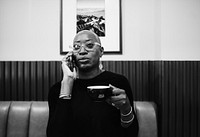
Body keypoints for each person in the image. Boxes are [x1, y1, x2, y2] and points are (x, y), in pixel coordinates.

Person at [46, 30, 139, 137]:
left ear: (101, 51)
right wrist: (67, 82)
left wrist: (126, 108)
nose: (82, 51)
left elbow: (132, 132)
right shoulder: (58, 89)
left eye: (89, 45)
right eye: (76, 47)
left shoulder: (118, 82)